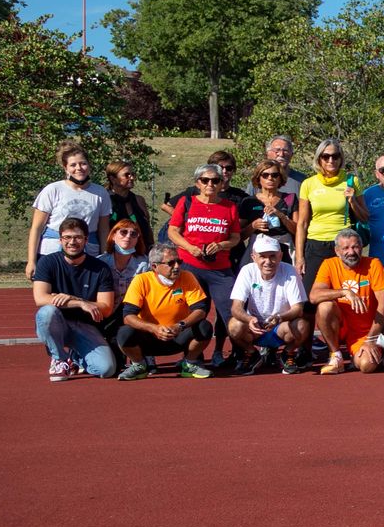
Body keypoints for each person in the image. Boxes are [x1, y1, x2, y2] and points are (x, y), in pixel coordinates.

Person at [166, 162, 242, 368]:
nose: (210, 184)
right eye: (205, 180)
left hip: (220, 268)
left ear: (221, 183)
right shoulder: (187, 202)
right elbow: (173, 231)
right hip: (191, 266)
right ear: (197, 183)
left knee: (230, 311)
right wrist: (189, 247)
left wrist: (221, 245)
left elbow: (236, 237)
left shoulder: (229, 207)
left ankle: (238, 353)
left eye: (215, 181)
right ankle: (192, 356)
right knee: (194, 312)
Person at [32, 218, 118, 380]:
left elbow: (106, 308)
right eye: (67, 237)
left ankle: (74, 357)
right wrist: (79, 303)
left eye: (78, 237)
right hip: (58, 322)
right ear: (60, 240)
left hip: (84, 326)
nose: (72, 242)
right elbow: (41, 298)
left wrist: (79, 301)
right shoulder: (47, 262)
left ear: (86, 240)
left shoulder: (100, 268)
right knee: (46, 312)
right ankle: (59, 358)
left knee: (106, 369)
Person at [115, 244, 214, 380]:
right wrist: (154, 329)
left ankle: (189, 363)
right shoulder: (141, 280)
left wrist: (180, 325)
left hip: (178, 336)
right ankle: (139, 365)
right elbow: (128, 316)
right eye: (171, 263)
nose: (177, 266)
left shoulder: (187, 277)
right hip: (149, 338)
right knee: (124, 333)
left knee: (204, 327)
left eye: (179, 261)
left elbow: (200, 310)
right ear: (154, 266)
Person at [308, 228, 384, 374]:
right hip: (340, 327)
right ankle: (336, 356)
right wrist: (344, 292)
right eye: (345, 248)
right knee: (324, 306)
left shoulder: (373, 264)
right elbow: (314, 296)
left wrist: (371, 339)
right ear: (337, 251)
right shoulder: (329, 264)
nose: (351, 252)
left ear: (361, 247)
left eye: (355, 247)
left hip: (365, 333)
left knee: (367, 366)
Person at [225, 235, 311, 375]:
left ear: (280, 256)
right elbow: (236, 307)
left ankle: (287, 354)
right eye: (262, 257)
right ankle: (252, 353)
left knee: (302, 325)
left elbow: (298, 308)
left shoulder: (290, 271)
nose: (268, 262)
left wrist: (279, 317)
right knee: (234, 325)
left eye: (272, 256)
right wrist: (249, 319)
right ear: (253, 257)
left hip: (281, 327)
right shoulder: (247, 271)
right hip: (255, 329)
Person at [27, 142, 112, 280]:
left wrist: (105, 257)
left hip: (88, 251)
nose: (79, 168)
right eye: (73, 165)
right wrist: (31, 261)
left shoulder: (100, 193)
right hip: (53, 250)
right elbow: (36, 228)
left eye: (83, 163)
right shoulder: (53, 190)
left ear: (89, 165)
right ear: (65, 168)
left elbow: (103, 230)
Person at [294, 139, 368, 279]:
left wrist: (352, 201)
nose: (331, 160)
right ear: (319, 159)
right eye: (325, 156)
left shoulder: (352, 181)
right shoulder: (308, 184)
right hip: (316, 244)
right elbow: (302, 223)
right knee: (311, 290)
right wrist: (299, 257)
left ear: (341, 158)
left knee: (346, 288)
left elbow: (365, 217)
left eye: (335, 156)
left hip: (344, 244)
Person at [100, 220, 148, 348]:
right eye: (123, 232)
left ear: (137, 239)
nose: (128, 236)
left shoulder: (144, 264)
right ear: (113, 235)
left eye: (134, 234)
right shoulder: (100, 262)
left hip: (131, 312)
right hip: (104, 312)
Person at [242, 160, 299, 264]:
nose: (270, 178)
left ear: (280, 178)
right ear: (258, 178)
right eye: (265, 175)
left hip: (283, 249)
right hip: (258, 249)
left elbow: (297, 230)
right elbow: (240, 236)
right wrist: (253, 226)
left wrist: (281, 216)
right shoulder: (249, 201)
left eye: (274, 175)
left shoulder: (290, 199)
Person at [105, 160, 153, 255]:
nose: (131, 178)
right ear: (113, 179)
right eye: (126, 175)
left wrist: (152, 248)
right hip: (113, 253)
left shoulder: (138, 200)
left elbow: (147, 227)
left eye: (133, 174)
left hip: (141, 253)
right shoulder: (105, 200)